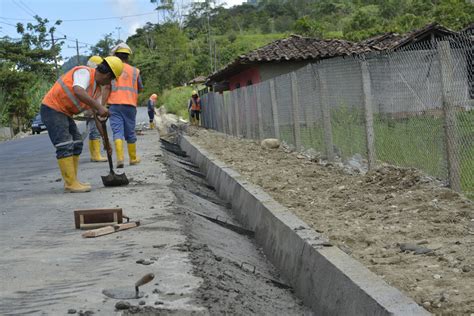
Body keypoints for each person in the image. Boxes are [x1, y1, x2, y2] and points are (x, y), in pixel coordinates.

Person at [41, 56, 123, 193]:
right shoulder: (84, 73)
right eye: (111, 79)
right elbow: (79, 91)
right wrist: (100, 107)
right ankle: (70, 183)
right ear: (108, 75)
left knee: (77, 142)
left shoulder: (97, 90)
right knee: (65, 144)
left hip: (64, 112)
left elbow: (98, 117)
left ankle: (73, 180)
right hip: (52, 108)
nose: (110, 82)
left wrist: (105, 141)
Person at [102, 43, 143, 168]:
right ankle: (133, 158)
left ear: (116, 56)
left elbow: (107, 87)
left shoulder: (113, 69)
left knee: (117, 131)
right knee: (130, 132)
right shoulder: (135, 71)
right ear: (128, 56)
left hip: (114, 105)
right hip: (130, 105)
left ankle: (120, 159)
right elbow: (140, 88)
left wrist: (102, 105)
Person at [85, 55, 107, 162]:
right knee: (94, 131)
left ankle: (95, 154)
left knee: (93, 131)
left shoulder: (90, 79)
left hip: (90, 109)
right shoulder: (90, 79)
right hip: (90, 110)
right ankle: (95, 155)